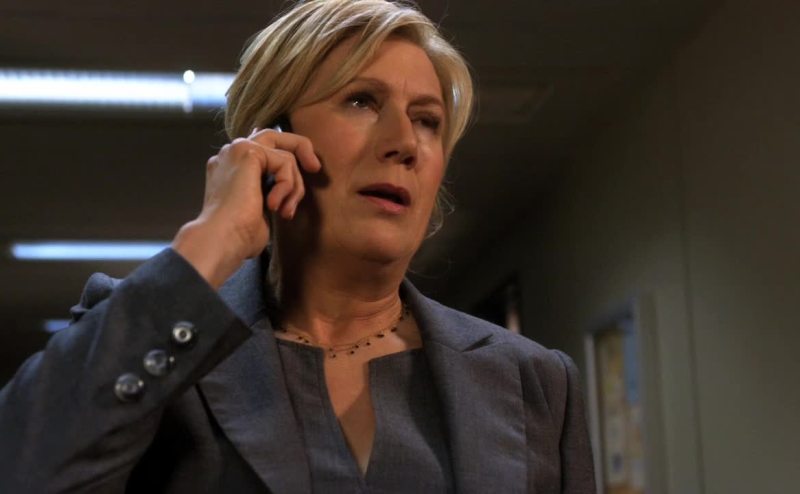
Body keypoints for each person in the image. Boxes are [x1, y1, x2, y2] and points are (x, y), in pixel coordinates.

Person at [0, 0, 596, 492]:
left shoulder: (534, 381)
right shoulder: (155, 339)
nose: (405, 143)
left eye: (427, 120)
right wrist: (210, 241)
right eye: (362, 101)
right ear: (271, 138)